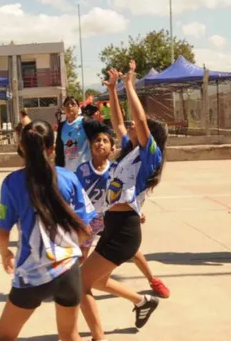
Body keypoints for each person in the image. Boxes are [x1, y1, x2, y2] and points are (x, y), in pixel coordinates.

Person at [79, 61, 167, 341]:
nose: (128, 127)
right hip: (113, 223)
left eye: (136, 128)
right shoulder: (129, 151)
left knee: (80, 285)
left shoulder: (150, 155)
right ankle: (143, 302)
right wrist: (114, 90)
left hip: (125, 228)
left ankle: (97, 337)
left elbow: (139, 121)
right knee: (99, 280)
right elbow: (118, 121)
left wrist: (129, 84)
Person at [0, 119, 95, 341]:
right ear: (52, 148)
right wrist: (80, 248)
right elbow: (87, 228)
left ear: (21, 147)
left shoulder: (11, 183)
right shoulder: (69, 178)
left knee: (4, 336)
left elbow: (3, 233)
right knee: (69, 335)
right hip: (68, 269)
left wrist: (5, 253)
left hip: (31, 274)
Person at [75, 119, 171, 298]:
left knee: (133, 253)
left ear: (112, 149)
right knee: (83, 256)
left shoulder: (117, 167)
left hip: (117, 221)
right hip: (95, 218)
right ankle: (140, 301)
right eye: (97, 141)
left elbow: (131, 191)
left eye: (105, 141)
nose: (100, 144)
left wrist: (137, 210)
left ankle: (152, 279)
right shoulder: (84, 170)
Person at [55, 97, 91, 172]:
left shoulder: (85, 121)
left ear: (78, 108)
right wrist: (58, 167)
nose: (69, 106)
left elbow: (104, 131)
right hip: (67, 169)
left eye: (73, 104)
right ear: (64, 109)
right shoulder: (61, 126)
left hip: (84, 168)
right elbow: (59, 148)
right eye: (67, 104)